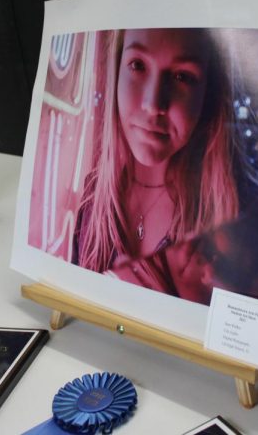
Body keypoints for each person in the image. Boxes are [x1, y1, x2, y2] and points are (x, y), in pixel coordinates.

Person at [72, 28, 242, 297]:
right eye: (137, 65)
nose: (153, 104)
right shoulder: (94, 196)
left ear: (208, 94)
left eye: (182, 76)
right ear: (115, 73)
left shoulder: (230, 223)